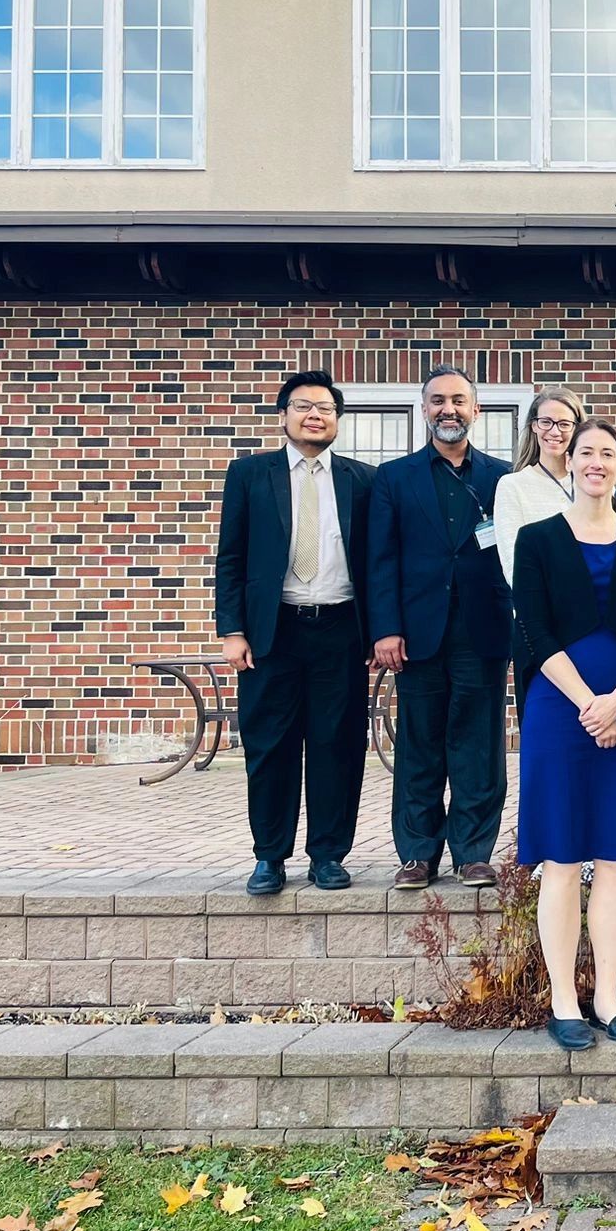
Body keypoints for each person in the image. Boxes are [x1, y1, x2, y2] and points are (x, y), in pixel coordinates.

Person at [511, 419, 616, 1051]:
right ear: (568, 462)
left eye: (608, 452)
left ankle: (607, 993)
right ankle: (563, 999)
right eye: (586, 452)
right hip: (560, 710)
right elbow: (536, 631)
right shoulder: (538, 539)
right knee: (564, 858)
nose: (596, 461)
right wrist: (589, 706)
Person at [214, 369, 375, 896]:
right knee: (269, 746)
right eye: (304, 406)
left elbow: (377, 563)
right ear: (283, 415)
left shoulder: (361, 480)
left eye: (326, 409)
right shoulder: (249, 475)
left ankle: (329, 855)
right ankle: (269, 857)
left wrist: (379, 632)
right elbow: (230, 558)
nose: (315, 415)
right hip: (272, 632)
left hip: (340, 630)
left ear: (337, 421)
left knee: (338, 746)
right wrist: (233, 629)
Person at [368, 366, 513, 891]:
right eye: (437, 401)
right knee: (420, 744)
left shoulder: (503, 478)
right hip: (416, 634)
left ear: (475, 410)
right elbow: (380, 559)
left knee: (479, 745)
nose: (447, 409)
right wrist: (385, 628)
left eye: (458, 400)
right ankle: (417, 853)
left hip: (484, 630)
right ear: (423, 409)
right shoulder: (394, 478)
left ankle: (474, 852)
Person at [493, 386, 586, 586]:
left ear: (577, 428)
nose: (554, 431)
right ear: (534, 425)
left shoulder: (593, 482)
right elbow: (514, 567)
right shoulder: (512, 486)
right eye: (546, 422)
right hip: (539, 610)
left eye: (564, 424)